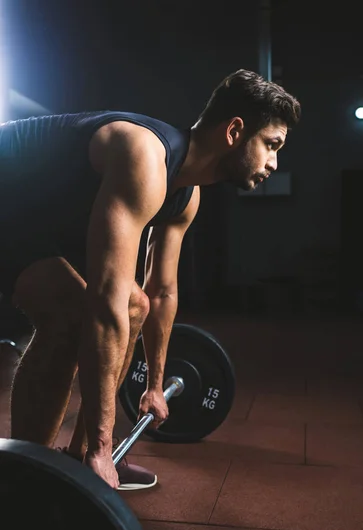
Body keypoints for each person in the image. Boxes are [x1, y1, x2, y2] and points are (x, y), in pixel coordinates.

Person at [0, 69, 300, 490]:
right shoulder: (144, 155)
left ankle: (78, 458)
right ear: (235, 131)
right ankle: (22, 486)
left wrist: (154, 386)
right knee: (71, 315)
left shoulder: (186, 193)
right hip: (7, 193)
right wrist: (106, 449)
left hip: (27, 215)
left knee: (135, 305)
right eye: (271, 145)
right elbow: (105, 303)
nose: (274, 162)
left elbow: (160, 293)